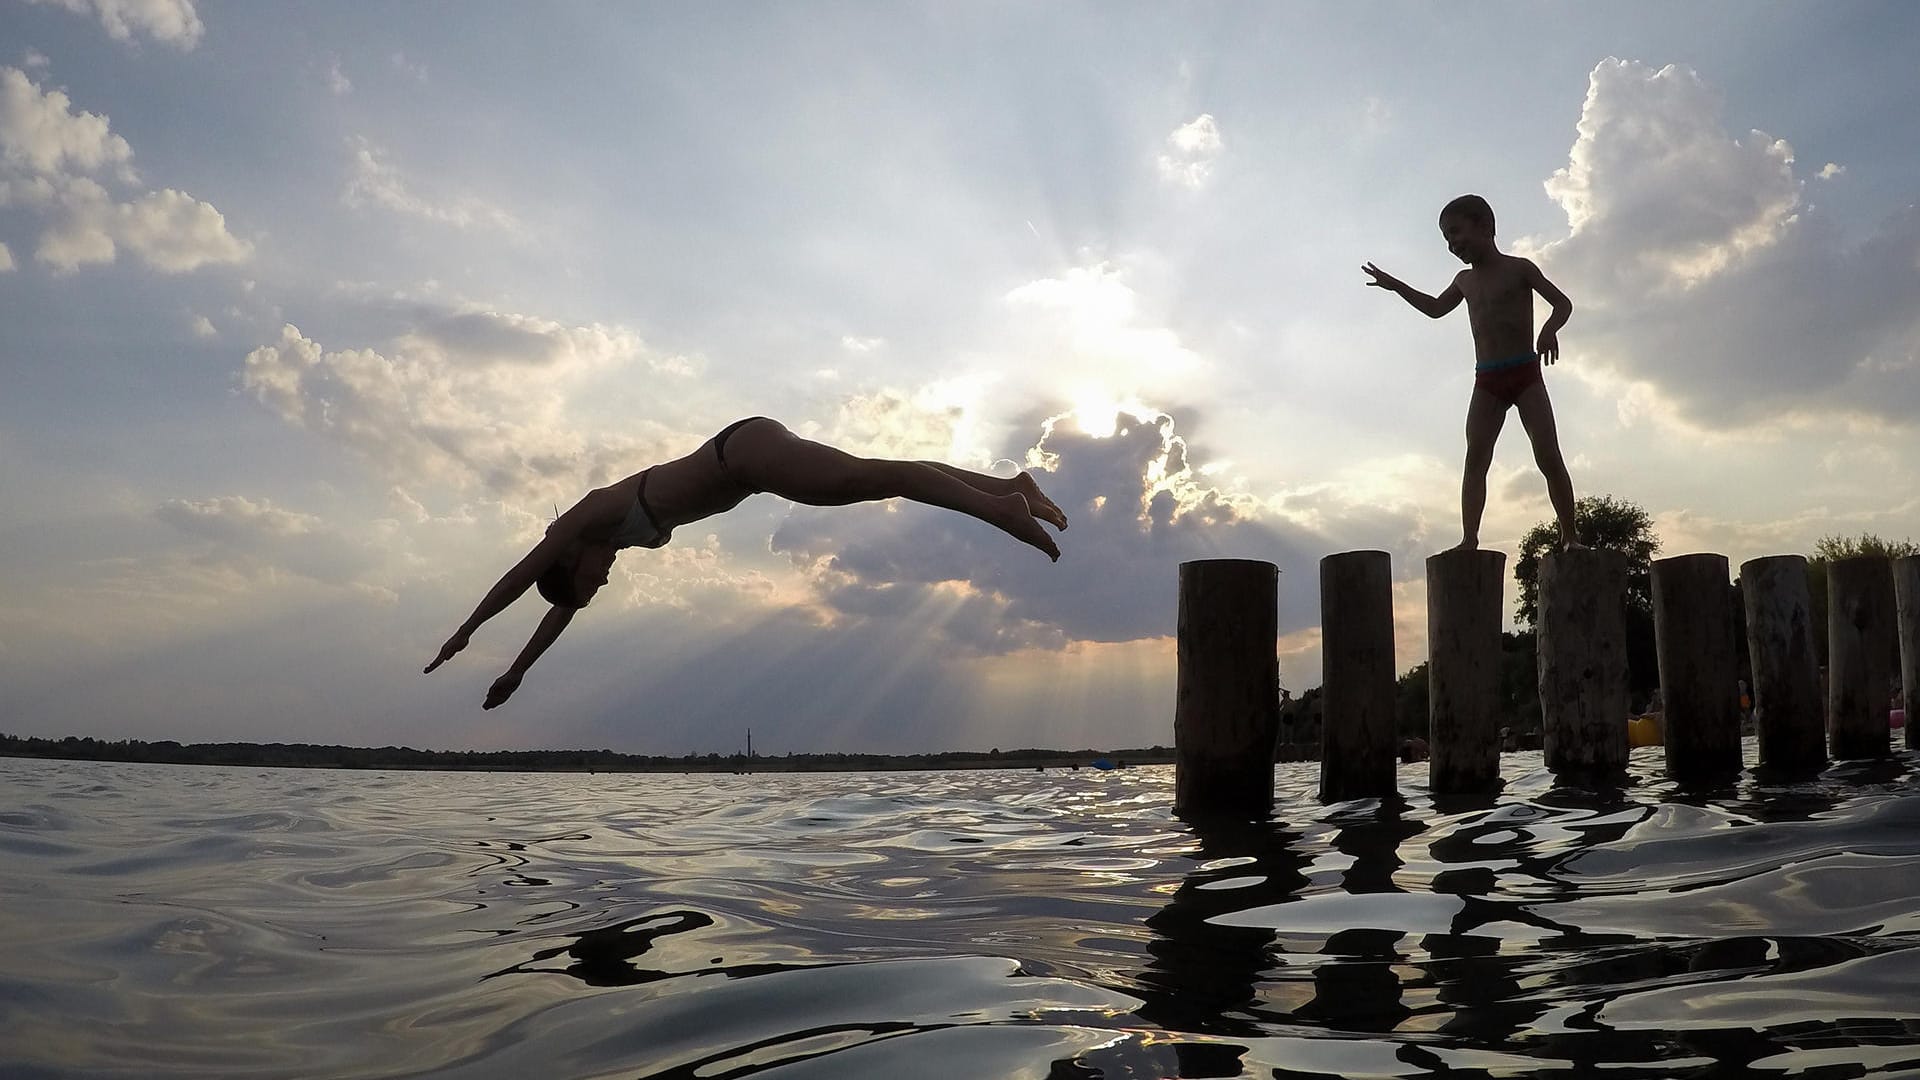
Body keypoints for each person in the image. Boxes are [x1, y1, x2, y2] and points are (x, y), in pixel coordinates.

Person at [423, 417, 1068, 708]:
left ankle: (1003, 507)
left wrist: (466, 631)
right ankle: (1008, 486)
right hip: (748, 458)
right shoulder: (606, 542)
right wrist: (516, 674)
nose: (600, 582)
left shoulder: (585, 519)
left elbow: (522, 575)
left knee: (877, 478)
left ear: (571, 560)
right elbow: (559, 613)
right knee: (873, 477)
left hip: (743, 456)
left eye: (589, 581)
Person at [1363, 194, 1582, 550]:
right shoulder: (1464, 280)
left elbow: (1563, 303)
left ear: (1486, 227)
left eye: (1456, 233)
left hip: (1525, 374)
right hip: (1488, 380)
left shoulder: (1520, 268)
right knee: (1476, 458)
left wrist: (1548, 330)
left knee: (1547, 454)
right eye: (1447, 239)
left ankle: (1570, 536)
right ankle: (1469, 540)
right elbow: (1435, 309)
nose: (1453, 245)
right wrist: (1396, 286)